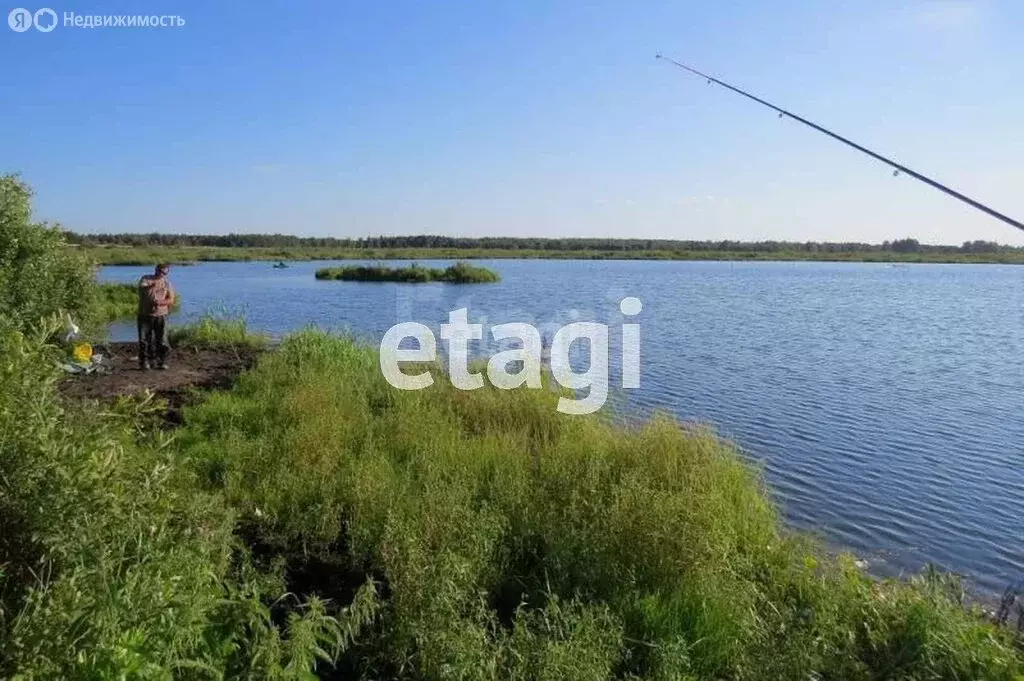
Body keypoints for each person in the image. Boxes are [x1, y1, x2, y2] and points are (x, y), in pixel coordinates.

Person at [137, 263, 175, 370]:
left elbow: (171, 299)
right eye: (159, 271)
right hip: (145, 314)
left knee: (162, 339)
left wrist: (160, 302)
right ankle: (145, 361)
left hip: (161, 315)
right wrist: (152, 286)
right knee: (144, 340)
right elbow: (141, 288)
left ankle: (162, 361)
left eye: (164, 272)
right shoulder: (146, 279)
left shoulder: (167, 284)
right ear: (156, 270)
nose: (161, 274)